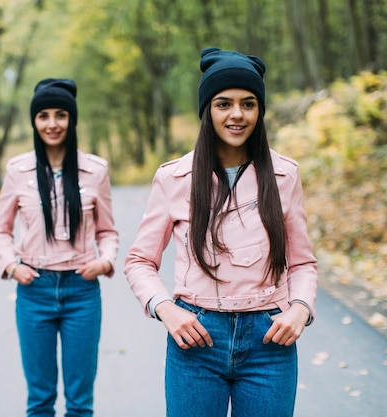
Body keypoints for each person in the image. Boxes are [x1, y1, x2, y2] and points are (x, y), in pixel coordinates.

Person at [124, 48, 318, 417]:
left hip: (269, 342)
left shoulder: (284, 175)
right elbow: (139, 261)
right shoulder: (174, 177)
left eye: (248, 104)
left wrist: (300, 308)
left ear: (259, 112)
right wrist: (166, 309)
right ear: (206, 111)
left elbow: (303, 262)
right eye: (223, 103)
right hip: (196, 340)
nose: (237, 115)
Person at [0, 78, 119, 417]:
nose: (52, 123)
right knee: (40, 400)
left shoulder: (95, 170)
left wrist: (105, 262)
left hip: (82, 292)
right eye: (43, 115)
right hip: (35, 291)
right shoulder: (18, 170)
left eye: (60, 115)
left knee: (79, 403)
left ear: (71, 119)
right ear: (34, 121)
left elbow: (107, 231)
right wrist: (11, 265)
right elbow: (0, 229)